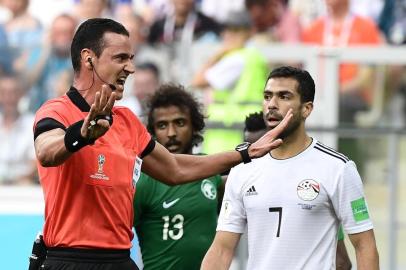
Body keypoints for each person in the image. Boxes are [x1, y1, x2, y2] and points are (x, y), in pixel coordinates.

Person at [32, 18, 292, 270]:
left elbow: (176, 168)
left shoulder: (126, 121)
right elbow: (46, 152)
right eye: (121, 58)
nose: (130, 68)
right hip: (70, 259)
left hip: (119, 259)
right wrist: (81, 135)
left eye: (131, 59)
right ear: (89, 58)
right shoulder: (56, 112)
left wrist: (245, 153)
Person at [201, 66, 379, 270]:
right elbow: (222, 248)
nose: (272, 105)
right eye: (267, 96)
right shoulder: (243, 169)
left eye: (284, 96)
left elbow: (365, 245)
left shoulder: (338, 168)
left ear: (307, 109)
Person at [243, 111, 352, 270]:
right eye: (249, 148)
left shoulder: (316, 188)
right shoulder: (241, 180)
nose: (255, 155)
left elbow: (342, 262)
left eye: (262, 148)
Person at [133, 84, 223, 269]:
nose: (171, 133)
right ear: (152, 132)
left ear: (194, 126)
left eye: (179, 123)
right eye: (162, 125)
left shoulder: (211, 171)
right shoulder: (144, 180)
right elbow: (115, 235)